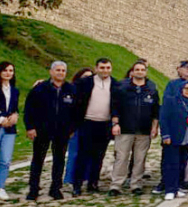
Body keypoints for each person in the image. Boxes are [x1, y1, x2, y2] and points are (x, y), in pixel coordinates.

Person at [24, 61, 78, 200]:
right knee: (38, 159)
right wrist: (30, 127)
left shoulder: (71, 90)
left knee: (59, 160)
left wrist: (72, 128)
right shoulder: (40, 88)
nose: (60, 73)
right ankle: (33, 189)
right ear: (51, 72)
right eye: (58, 70)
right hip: (42, 130)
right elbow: (29, 109)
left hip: (62, 131)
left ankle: (55, 188)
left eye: (63, 71)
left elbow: (76, 112)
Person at [108, 61, 160, 196]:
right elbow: (115, 107)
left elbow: (155, 111)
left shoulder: (151, 88)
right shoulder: (122, 86)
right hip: (125, 128)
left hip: (144, 129)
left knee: (140, 158)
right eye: (137, 69)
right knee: (121, 157)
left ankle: (136, 184)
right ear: (132, 71)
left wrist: (154, 128)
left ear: (145, 72)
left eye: (142, 70)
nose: (140, 72)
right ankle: (116, 185)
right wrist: (115, 124)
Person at [72, 58, 114, 195]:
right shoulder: (85, 82)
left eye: (107, 68)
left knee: (99, 156)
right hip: (87, 122)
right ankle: (77, 184)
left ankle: (93, 183)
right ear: (96, 69)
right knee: (82, 155)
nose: (105, 70)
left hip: (105, 124)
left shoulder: (115, 84)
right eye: (102, 68)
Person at [159, 81, 188, 200]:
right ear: (181, 89)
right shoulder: (171, 101)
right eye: (186, 88)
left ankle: (177, 187)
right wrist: (165, 135)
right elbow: (164, 118)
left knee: (182, 165)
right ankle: (169, 189)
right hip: (173, 137)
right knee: (171, 164)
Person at [0, 62, 18, 201]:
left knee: (6, 160)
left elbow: (14, 107)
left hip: (9, 129)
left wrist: (15, 115)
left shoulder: (14, 90)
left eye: (11, 70)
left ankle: (0, 187)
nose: (8, 73)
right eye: (5, 70)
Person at [63, 67, 93, 187]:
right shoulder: (72, 90)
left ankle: (85, 177)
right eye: (85, 76)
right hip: (75, 125)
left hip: (89, 124)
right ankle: (69, 178)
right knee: (74, 153)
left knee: (88, 152)